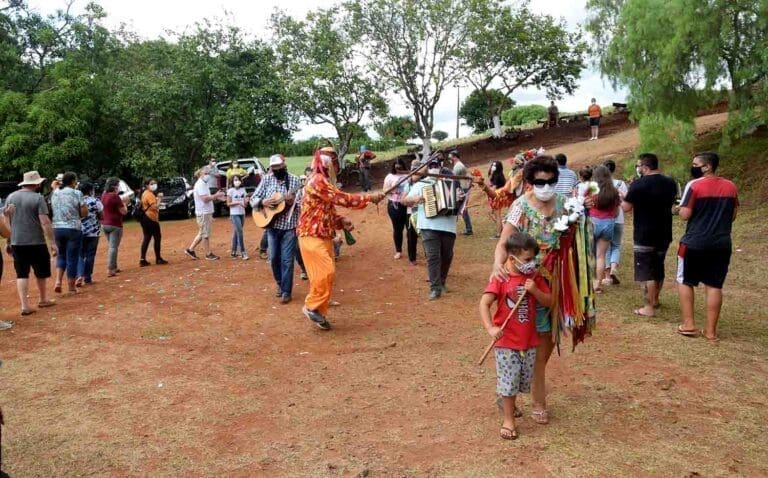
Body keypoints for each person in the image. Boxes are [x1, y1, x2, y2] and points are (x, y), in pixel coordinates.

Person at [489, 155, 564, 425]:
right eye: (540, 182)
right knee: (526, 344)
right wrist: (498, 266)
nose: (546, 187)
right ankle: (533, 400)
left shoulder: (565, 204)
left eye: (551, 181)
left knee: (546, 344)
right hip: (523, 286)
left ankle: (521, 393)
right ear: (530, 182)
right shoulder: (520, 206)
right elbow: (504, 242)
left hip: (554, 283)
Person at [297, 145, 385, 330]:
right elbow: (341, 198)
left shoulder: (321, 181)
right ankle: (312, 306)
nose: (336, 167)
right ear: (329, 164)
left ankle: (318, 312)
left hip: (323, 234)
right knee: (326, 271)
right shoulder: (317, 180)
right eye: (335, 163)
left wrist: (340, 221)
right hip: (312, 235)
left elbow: (325, 209)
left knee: (324, 275)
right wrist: (369, 198)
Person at [479, 232, 552, 440]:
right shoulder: (501, 278)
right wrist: (491, 328)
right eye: (527, 259)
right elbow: (484, 303)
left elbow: (550, 301)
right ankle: (508, 420)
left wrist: (536, 291)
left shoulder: (535, 277)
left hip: (529, 342)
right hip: (506, 342)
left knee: (521, 381)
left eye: (534, 259)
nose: (532, 263)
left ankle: (504, 397)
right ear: (512, 258)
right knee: (510, 381)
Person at [676, 152, 738, 341]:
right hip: (721, 243)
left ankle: (688, 324)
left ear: (708, 166)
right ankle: (711, 331)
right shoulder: (731, 186)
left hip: (694, 242)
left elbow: (685, 214)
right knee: (714, 285)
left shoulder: (694, 185)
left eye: (696, 164)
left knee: (685, 280)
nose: (693, 167)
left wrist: (678, 209)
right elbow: (733, 215)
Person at [621, 153, 678, 317]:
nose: (637, 169)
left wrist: (621, 198)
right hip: (664, 230)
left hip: (644, 232)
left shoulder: (638, 184)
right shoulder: (670, 182)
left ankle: (649, 307)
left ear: (645, 167)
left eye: (638, 166)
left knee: (647, 270)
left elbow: (626, 207)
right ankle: (656, 299)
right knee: (658, 266)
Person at [402, 155, 463, 301]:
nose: (434, 168)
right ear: (427, 168)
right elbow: (404, 200)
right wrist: (415, 199)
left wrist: (460, 198)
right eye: (431, 166)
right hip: (428, 225)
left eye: (436, 165)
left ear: (440, 167)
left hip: (448, 226)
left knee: (447, 255)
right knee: (433, 256)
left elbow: (461, 202)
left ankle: (442, 281)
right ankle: (435, 288)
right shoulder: (421, 185)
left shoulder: (452, 183)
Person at [3, 171, 57, 315]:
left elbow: (7, 220)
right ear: (37, 184)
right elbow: (45, 222)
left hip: (17, 242)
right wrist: (52, 242)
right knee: (41, 271)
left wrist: (9, 240)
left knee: (21, 273)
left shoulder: (11, 197)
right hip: (36, 241)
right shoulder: (38, 198)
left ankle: (24, 306)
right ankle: (43, 299)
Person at [251, 154, 302, 303]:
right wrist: (262, 202)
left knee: (287, 260)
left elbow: (302, 203)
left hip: (289, 226)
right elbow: (253, 199)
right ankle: (280, 284)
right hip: (272, 227)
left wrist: (292, 202)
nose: (276, 169)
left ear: (284, 165)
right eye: (273, 167)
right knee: (273, 258)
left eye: (278, 166)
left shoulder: (295, 181)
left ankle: (286, 291)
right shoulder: (267, 179)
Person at [51, 172, 86, 294]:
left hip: (57, 228)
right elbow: (84, 212)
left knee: (61, 255)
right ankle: (71, 287)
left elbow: (54, 187)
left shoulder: (55, 193)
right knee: (72, 258)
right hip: (73, 228)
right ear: (72, 181)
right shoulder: (77, 193)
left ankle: (58, 281)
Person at [589, 166, 620, 293]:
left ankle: (590, 282)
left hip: (592, 222)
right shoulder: (614, 191)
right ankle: (598, 284)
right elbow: (616, 213)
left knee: (590, 254)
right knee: (601, 256)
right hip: (608, 223)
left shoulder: (591, 190)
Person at [186, 167, 225, 260]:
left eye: (208, 173)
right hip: (203, 212)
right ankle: (208, 254)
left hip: (205, 212)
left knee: (202, 232)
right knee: (205, 234)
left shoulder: (203, 184)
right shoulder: (200, 184)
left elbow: (207, 197)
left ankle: (190, 249)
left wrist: (216, 197)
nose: (208, 175)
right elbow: (205, 199)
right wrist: (216, 195)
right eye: (206, 173)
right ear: (201, 174)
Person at [603, 160, 628, 284]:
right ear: (614, 169)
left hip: (605, 219)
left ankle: (607, 277)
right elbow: (627, 199)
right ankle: (614, 268)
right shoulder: (620, 183)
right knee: (616, 245)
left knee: (606, 247)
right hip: (619, 218)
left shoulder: (600, 184)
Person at [382, 158, 410, 259]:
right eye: (396, 167)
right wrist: (393, 188)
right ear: (394, 167)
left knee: (410, 229)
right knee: (398, 229)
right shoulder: (389, 177)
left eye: (400, 167)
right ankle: (398, 250)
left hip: (408, 205)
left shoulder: (408, 175)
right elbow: (384, 190)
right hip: (394, 206)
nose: (398, 169)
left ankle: (412, 253)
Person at [76, 182, 103, 286]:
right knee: (90, 254)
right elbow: (102, 216)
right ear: (91, 190)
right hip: (94, 231)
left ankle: (79, 275)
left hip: (79, 231)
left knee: (80, 254)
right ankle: (88, 277)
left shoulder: (77, 201)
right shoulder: (96, 201)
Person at [100, 178, 128, 277]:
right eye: (117, 185)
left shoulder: (104, 195)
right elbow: (124, 212)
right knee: (113, 247)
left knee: (112, 246)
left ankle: (114, 266)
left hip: (104, 224)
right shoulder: (115, 196)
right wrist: (125, 203)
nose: (119, 187)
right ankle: (111, 268)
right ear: (114, 186)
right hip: (115, 224)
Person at [139, 178, 168, 267]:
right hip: (151, 219)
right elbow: (154, 207)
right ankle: (158, 258)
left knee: (147, 238)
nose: (154, 185)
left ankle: (142, 259)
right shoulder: (149, 194)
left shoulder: (145, 193)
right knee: (157, 237)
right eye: (151, 184)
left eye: (154, 183)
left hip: (145, 218)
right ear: (147, 185)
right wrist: (160, 198)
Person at [450, 150, 473, 236]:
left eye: (451, 156)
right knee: (461, 209)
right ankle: (468, 228)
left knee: (462, 209)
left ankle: (469, 229)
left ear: (455, 157)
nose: (450, 158)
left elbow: (453, 177)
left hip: (462, 189)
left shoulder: (458, 166)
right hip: (463, 188)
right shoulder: (458, 165)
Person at [226, 175, 248, 260]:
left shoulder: (243, 190)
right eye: (235, 180)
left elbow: (245, 203)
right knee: (240, 232)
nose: (237, 181)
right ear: (232, 181)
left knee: (236, 232)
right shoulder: (230, 191)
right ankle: (243, 252)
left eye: (238, 179)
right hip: (234, 214)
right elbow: (228, 203)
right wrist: (238, 203)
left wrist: (246, 201)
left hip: (242, 213)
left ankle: (233, 251)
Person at [487, 161, 507, 238]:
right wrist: (491, 174)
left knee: (497, 215)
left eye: (493, 165)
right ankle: (502, 228)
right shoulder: (496, 175)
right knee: (492, 213)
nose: (492, 167)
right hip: (495, 197)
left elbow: (493, 189)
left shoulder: (497, 177)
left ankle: (499, 233)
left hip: (496, 197)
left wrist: (488, 188)